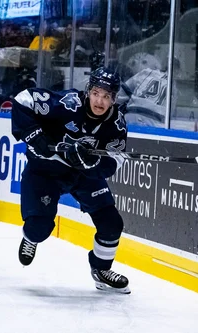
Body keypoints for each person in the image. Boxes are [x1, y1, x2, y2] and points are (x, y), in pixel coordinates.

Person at [11, 67, 130, 294]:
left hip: (81, 175)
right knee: (39, 228)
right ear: (88, 91)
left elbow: (115, 160)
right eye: (96, 93)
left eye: (106, 96)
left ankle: (101, 270)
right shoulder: (67, 104)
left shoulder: (116, 124)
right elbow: (22, 99)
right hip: (44, 172)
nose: (100, 100)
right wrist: (37, 136)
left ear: (114, 99)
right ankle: (30, 238)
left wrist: (89, 164)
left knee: (112, 223)